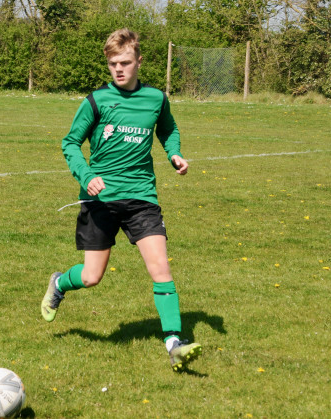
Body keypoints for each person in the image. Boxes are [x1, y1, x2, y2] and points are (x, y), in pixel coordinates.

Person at [40, 28, 201, 372]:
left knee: (161, 267)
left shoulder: (156, 99)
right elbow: (70, 143)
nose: (118, 69)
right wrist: (86, 176)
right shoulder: (96, 101)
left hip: (142, 196)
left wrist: (174, 154)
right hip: (100, 200)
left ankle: (173, 342)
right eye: (113, 63)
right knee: (91, 277)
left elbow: (167, 129)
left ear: (139, 61)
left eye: (125, 62)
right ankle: (59, 283)